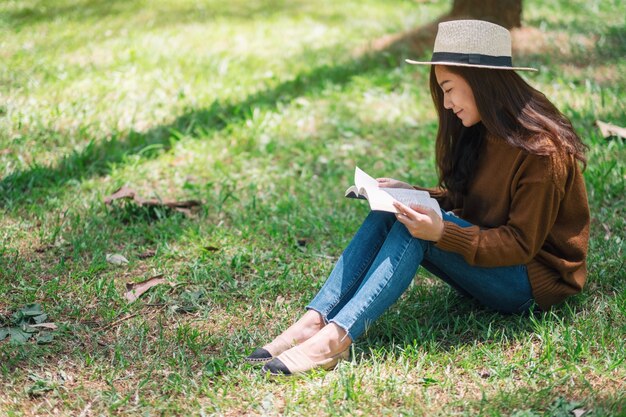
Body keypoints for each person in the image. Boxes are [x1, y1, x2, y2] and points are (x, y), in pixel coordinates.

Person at [245, 19, 590, 377]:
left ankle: (336, 340)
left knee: (414, 230)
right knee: (392, 211)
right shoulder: (484, 128)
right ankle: (312, 321)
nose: (446, 101)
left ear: (483, 82)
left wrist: (442, 233)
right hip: (494, 259)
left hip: (531, 282)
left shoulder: (542, 152)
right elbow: (472, 199)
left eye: (450, 88)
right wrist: (415, 194)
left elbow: (520, 244)